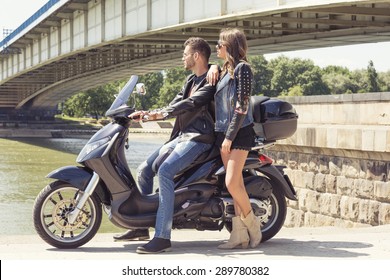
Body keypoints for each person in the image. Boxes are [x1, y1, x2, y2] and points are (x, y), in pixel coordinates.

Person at [115, 37, 217, 254]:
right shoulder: (190, 80)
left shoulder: (211, 79)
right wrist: (148, 114)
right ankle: (141, 228)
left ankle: (163, 236)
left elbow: (190, 103)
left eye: (185, 54)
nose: (183, 57)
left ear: (196, 56)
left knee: (165, 172)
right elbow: (174, 104)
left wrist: (215, 66)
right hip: (181, 137)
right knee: (143, 170)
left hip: (199, 139)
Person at [212, 28, 262, 249]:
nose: (216, 47)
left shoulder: (243, 69)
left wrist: (229, 137)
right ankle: (238, 235)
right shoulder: (225, 71)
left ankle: (253, 224)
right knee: (235, 185)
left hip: (239, 133)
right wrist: (213, 67)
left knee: (231, 181)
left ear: (229, 46)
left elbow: (241, 107)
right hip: (223, 133)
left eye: (219, 44)